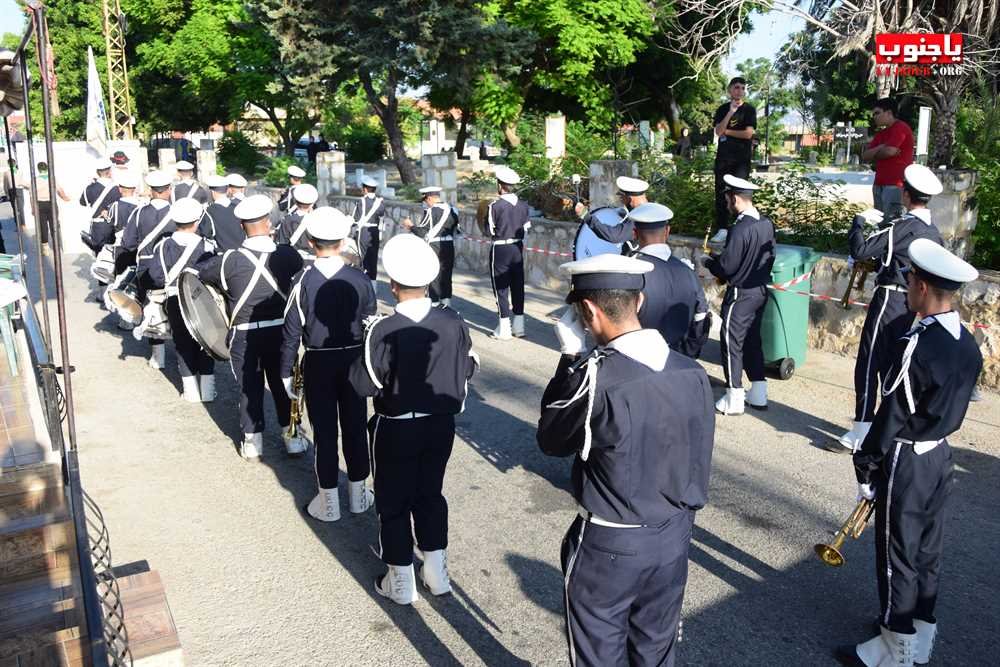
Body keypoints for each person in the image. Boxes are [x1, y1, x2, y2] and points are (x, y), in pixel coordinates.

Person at [536, 253, 715, 667]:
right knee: (656, 649)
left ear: (589, 311)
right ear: (639, 301)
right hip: (674, 533)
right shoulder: (691, 371)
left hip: (612, 542)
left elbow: (551, 438)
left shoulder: (596, 376)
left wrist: (569, 360)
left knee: (599, 654)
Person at [836, 239, 981, 667]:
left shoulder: (915, 343)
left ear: (920, 287)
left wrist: (866, 465)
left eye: (911, 281)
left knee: (895, 550)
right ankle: (920, 631)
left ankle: (893, 647)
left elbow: (892, 415)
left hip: (907, 456)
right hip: (941, 453)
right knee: (927, 549)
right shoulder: (968, 342)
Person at [349, 233, 478, 605]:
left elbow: (364, 384)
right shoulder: (454, 321)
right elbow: (466, 367)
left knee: (393, 499)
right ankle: (437, 573)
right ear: (428, 282)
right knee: (430, 493)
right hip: (440, 424)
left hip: (397, 424)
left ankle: (400, 579)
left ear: (392, 285)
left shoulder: (383, 329)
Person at [838, 164, 944, 451]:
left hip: (890, 296)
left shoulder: (903, 226)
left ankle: (862, 428)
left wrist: (858, 222)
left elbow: (860, 250)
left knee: (869, 360)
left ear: (907, 194)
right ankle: (886, 426)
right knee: (890, 366)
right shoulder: (934, 232)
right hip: (911, 304)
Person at [280, 207, 377, 522]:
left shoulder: (302, 280)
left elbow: (291, 331)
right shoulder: (360, 278)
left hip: (319, 360)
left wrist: (284, 372)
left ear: (310, 242)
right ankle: (359, 495)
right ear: (343, 240)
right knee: (355, 427)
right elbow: (371, 324)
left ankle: (329, 500)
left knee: (324, 431)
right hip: (354, 359)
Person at [197, 195, 304, 459]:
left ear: (242, 226)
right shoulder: (288, 255)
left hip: (245, 333)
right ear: (269, 223)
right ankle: (292, 437)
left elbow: (200, 274)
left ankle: (252, 441)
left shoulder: (230, 259)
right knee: (284, 384)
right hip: (281, 331)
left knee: (249, 387)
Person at [702, 175, 775, 415]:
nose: (726, 204)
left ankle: (734, 395)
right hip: (761, 290)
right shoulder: (765, 223)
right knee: (753, 340)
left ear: (734, 198)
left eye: (727, 199)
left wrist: (709, 262)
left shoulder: (739, 228)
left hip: (741, 292)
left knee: (731, 341)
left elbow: (728, 268)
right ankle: (759, 392)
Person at [141, 198, 217, 403]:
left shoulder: (163, 245)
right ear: (197, 221)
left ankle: (190, 391)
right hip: (201, 299)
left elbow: (156, 276)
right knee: (205, 342)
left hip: (173, 298)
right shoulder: (207, 245)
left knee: (182, 343)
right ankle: (208, 390)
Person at [627, 202, 711, 358]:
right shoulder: (687, 272)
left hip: (638, 362)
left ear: (634, 233)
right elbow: (701, 317)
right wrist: (688, 354)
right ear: (667, 231)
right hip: (679, 361)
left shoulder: (630, 271)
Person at [121, 170, 175, 369]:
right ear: (169, 190)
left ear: (151, 190)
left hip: (146, 267)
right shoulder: (178, 212)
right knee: (176, 308)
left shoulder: (139, 213)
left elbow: (128, 243)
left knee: (150, 307)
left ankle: (157, 356)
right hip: (173, 266)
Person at [487, 166, 530, 340]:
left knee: (501, 287)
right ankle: (519, 326)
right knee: (518, 285)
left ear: (500, 185)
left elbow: (489, 230)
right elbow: (526, 229)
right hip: (517, 248)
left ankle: (504, 328)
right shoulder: (523, 205)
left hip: (500, 248)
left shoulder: (495, 206)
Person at [712, 77, 756, 243]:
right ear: (730, 90)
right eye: (737, 87)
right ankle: (722, 228)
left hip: (741, 160)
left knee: (740, 193)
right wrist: (730, 112)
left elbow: (748, 134)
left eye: (743, 88)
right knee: (721, 194)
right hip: (723, 159)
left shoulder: (749, 110)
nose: (740, 91)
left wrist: (728, 132)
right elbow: (718, 131)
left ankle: (740, 227)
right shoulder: (723, 109)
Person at [403, 186, 459, 307]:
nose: (425, 203)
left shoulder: (432, 211)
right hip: (449, 245)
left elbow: (422, 233)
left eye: (425, 200)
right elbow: (456, 230)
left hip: (435, 246)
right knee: (446, 275)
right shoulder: (453, 210)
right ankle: (446, 304)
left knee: (433, 276)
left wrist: (410, 226)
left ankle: (434, 304)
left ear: (428, 198)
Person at [861, 98, 914, 219]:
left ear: (889, 113)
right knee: (879, 222)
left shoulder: (901, 128)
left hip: (895, 184)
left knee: (892, 223)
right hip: (878, 183)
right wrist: (881, 147)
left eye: (877, 113)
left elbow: (889, 151)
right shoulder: (881, 134)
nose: (874, 117)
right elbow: (865, 156)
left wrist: (876, 154)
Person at [574, 176, 650, 256]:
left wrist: (585, 215)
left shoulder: (638, 217)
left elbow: (613, 235)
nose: (621, 200)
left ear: (629, 198)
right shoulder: (650, 211)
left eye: (622, 197)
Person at [351, 176, 385, 293]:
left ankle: (362, 285)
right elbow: (381, 215)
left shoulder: (361, 201)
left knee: (361, 258)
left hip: (363, 232)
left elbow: (355, 218)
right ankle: (373, 287)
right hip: (374, 232)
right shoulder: (380, 202)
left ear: (365, 189)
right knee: (373, 258)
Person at [200, 174, 243, 252]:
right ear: (227, 190)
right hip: (242, 253)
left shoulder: (208, 211)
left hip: (222, 256)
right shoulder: (239, 207)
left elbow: (205, 234)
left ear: (212, 192)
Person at [274, 183, 319, 258]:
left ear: (295, 201)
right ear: (312, 204)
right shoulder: (317, 220)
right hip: (313, 260)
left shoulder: (287, 220)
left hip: (294, 260)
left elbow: (282, 244)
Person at [79, 157, 121, 226]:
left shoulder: (89, 188)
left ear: (97, 172)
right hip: (112, 225)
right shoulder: (117, 189)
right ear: (110, 171)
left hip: (96, 227)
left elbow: (82, 202)